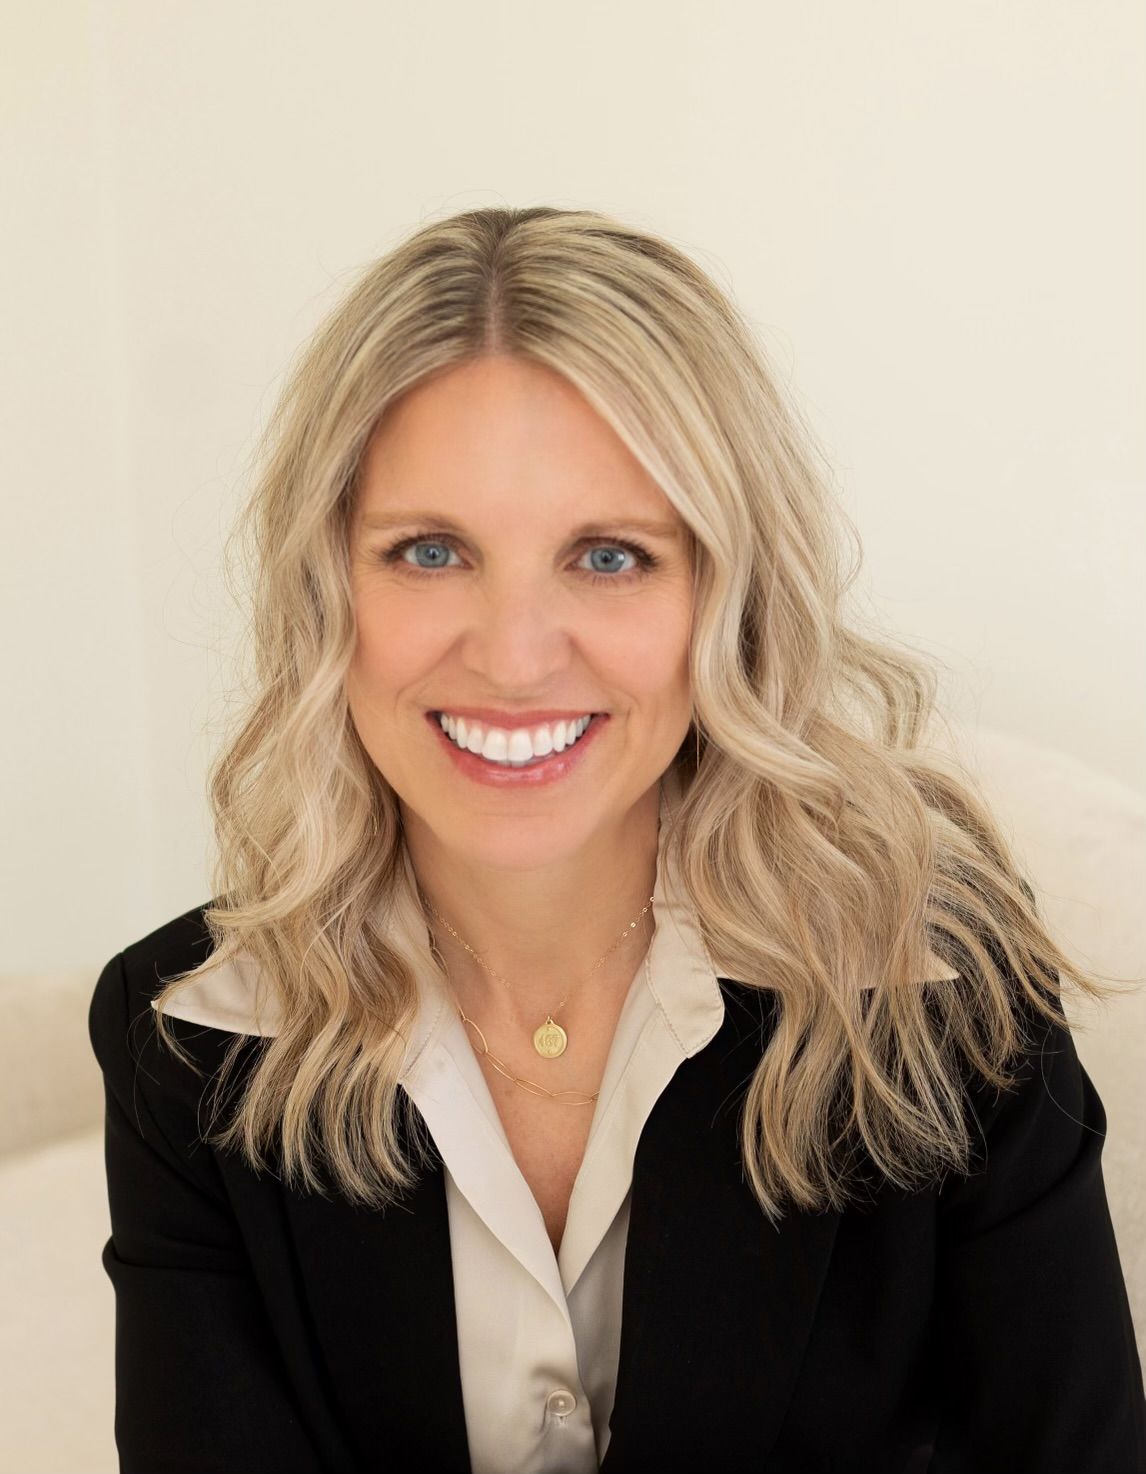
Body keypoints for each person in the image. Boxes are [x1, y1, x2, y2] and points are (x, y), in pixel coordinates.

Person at [88, 205, 1146, 1474]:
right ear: (329, 592)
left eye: (609, 556)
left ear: (727, 596)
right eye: (430, 552)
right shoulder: (190, 1037)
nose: (515, 653)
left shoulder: (940, 997)